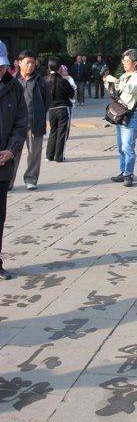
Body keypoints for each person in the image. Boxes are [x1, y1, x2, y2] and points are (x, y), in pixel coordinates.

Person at [0, 41, 28, 280]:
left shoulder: (14, 88)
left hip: (2, 165)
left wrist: (10, 151)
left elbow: (21, 125)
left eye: (1, 66)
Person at [10, 50, 52, 190]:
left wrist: (39, 114)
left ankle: (31, 179)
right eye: (27, 63)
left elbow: (47, 101)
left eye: (33, 63)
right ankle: (8, 181)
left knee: (34, 153)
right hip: (14, 125)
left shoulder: (41, 81)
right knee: (11, 154)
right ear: (19, 62)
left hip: (34, 122)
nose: (30, 66)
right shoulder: (10, 80)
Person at [103, 49, 137, 187]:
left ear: (135, 63)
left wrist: (115, 79)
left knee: (128, 146)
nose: (124, 64)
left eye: (126, 61)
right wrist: (106, 80)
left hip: (131, 115)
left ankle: (129, 174)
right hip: (120, 113)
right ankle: (123, 171)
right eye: (123, 61)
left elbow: (130, 89)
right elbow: (114, 92)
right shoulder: (124, 76)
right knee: (121, 146)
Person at [45, 57, 75, 163]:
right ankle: (59, 156)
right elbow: (71, 94)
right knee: (62, 132)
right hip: (63, 108)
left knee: (53, 131)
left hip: (51, 109)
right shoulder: (63, 81)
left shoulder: (46, 80)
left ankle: (49, 155)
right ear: (59, 68)